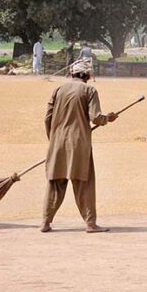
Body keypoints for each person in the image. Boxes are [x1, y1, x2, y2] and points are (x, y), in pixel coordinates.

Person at [42, 60, 117, 233]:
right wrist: (108, 118)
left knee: (55, 183)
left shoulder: (58, 90)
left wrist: (53, 140)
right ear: (87, 75)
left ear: (72, 74)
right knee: (85, 182)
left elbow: (47, 118)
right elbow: (96, 118)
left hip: (57, 144)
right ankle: (90, 224)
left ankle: (45, 222)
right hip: (79, 144)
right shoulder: (89, 90)